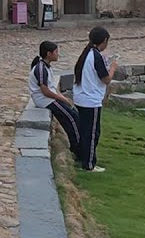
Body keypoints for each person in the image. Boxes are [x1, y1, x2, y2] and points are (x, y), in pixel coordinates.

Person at [72, 26, 117, 173]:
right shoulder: (95, 55)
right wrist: (113, 68)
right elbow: (106, 79)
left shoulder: (86, 54)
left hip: (81, 97)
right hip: (90, 100)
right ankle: (89, 164)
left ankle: (82, 157)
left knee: (85, 130)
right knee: (92, 133)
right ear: (104, 41)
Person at [28, 41, 80, 154]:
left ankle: (76, 145)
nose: (58, 54)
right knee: (71, 118)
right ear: (48, 53)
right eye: (56, 52)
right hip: (45, 100)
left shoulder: (47, 68)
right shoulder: (41, 69)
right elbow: (45, 91)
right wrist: (62, 99)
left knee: (72, 115)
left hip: (50, 98)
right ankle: (77, 148)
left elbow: (52, 88)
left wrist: (63, 98)